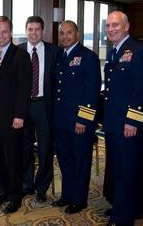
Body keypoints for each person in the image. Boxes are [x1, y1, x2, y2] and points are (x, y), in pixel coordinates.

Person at [103, 11, 143, 226]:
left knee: (126, 171)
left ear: (127, 27)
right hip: (114, 123)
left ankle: (122, 219)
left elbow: (142, 90)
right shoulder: (114, 51)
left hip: (128, 125)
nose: (111, 29)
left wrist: (132, 121)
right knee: (118, 169)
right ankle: (125, 208)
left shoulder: (140, 51)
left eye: (115, 25)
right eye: (108, 26)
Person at [52, 20, 101, 214]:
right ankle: (67, 195)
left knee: (80, 160)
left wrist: (84, 119)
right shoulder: (59, 56)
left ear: (77, 34)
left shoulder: (88, 56)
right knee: (65, 160)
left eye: (69, 32)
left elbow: (92, 91)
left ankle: (79, 200)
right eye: (62, 33)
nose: (65, 36)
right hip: (60, 120)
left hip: (79, 122)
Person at [0, 16, 32, 214]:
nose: (0, 35)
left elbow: (25, 88)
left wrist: (19, 115)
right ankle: (3, 190)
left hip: (13, 118)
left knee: (12, 158)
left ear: (11, 33)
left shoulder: (21, 55)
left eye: (4, 31)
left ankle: (15, 196)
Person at [18, 16, 58, 202]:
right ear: (25, 30)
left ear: (43, 31)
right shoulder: (17, 51)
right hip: (23, 107)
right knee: (24, 148)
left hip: (44, 106)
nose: (33, 33)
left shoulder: (53, 51)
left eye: (37, 29)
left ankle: (41, 187)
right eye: (30, 29)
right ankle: (27, 184)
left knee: (45, 149)